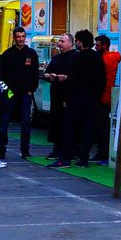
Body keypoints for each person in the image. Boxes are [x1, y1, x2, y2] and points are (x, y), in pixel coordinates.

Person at [0, 29, 42, 161]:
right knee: (4, 122)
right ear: (14, 38)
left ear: (25, 37)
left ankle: (25, 150)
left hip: (25, 94)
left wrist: (31, 90)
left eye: (22, 36)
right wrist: (6, 91)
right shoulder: (7, 54)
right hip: (10, 93)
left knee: (25, 122)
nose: (20, 39)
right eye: (18, 37)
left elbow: (35, 73)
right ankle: (1, 149)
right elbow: (1, 75)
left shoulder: (31, 53)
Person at [66, 30, 107, 166]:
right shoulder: (97, 57)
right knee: (88, 128)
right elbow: (102, 79)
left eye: (77, 40)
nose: (76, 43)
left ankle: (73, 154)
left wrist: (68, 97)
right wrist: (97, 96)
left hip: (77, 98)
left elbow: (72, 79)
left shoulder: (77, 58)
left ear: (81, 42)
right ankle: (84, 157)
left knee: (73, 127)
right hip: (92, 99)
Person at [41, 34, 78, 166]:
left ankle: (70, 151)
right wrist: (49, 76)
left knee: (67, 123)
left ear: (70, 43)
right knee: (55, 121)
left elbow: (77, 77)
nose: (59, 43)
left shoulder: (75, 57)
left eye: (62, 41)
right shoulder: (56, 58)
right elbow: (46, 72)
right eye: (59, 41)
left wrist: (65, 78)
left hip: (68, 95)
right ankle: (56, 149)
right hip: (55, 94)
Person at [93, 34, 121, 165]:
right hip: (105, 95)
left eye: (98, 45)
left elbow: (99, 78)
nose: (95, 47)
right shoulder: (109, 57)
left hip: (103, 96)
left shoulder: (106, 59)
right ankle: (101, 153)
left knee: (103, 128)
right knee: (101, 127)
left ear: (104, 45)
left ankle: (104, 154)